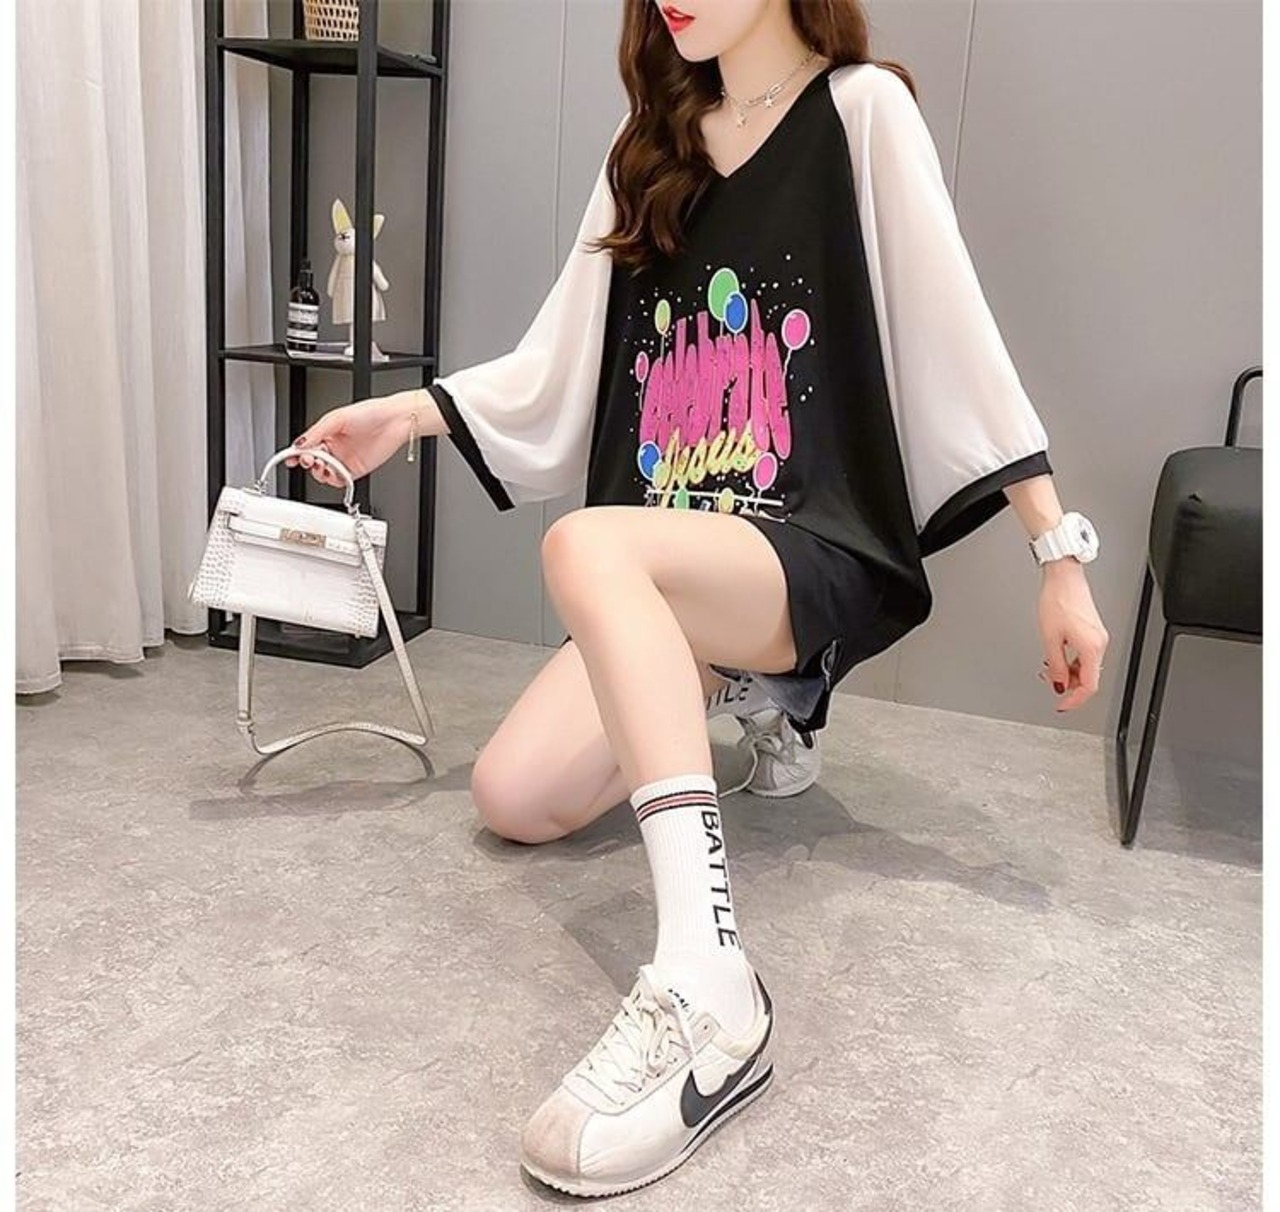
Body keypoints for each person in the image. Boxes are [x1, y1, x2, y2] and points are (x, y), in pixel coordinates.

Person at [287, 0, 1110, 1197]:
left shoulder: (858, 112)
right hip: (667, 550)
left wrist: (1057, 556)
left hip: (802, 541)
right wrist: (404, 418)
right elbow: (555, 362)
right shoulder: (647, 145)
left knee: (587, 548)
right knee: (514, 797)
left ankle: (706, 981)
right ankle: (741, 690)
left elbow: (957, 339)